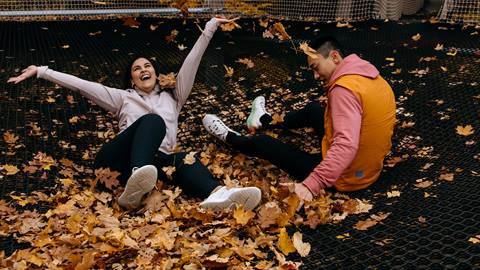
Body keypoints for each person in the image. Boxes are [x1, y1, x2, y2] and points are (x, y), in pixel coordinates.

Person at [7, 17, 261, 211]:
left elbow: (191, 64)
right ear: (132, 80)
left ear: (156, 72)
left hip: (157, 164)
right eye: (137, 69)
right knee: (152, 122)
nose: (143, 70)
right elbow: (81, 85)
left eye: (147, 65)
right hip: (117, 161)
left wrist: (209, 28)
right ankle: (137, 175)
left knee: (184, 159)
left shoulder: (173, 97)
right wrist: (41, 71)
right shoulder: (122, 97)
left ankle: (217, 194)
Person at [203, 36, 396, 206]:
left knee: (263, 143)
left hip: (347, 177)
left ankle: (230, 137)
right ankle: (263, 119)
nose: (315, 75)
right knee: (313, 110)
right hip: (370, 168)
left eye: (316, 67)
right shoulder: (367, 74)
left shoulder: (343, 90)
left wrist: (312, 184)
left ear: (335, 57)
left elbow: (346, 145)